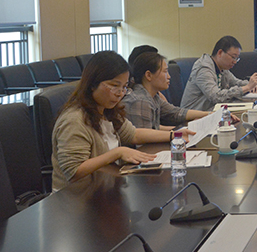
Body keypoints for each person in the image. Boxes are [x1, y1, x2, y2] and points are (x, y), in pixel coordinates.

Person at [51, 51, 186, 191]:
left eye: (124, 87)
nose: (120, 93)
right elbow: (73, 172)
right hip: (76, 198)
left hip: (107, 190)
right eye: (114, 86)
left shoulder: (107, 110)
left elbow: (133, 134)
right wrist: (117, 153)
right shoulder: (74, 120)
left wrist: (175, 135)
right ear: (92, 84)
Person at [123, 52, 209, 130]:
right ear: (148, 75)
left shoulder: (153, 96)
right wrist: (179, 131)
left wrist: (209, 115)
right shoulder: (141, 101)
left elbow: (176, 113)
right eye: (165, 72)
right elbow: (146, 139)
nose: (169, 76)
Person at [180, 35, 257, 110]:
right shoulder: (203, 69)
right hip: (194, 116)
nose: (235, 62)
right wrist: (247, 87)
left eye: (237, 58)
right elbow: (216, 97)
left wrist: (251, 85)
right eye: (233, 57)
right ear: (220, 53)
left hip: (212, 111)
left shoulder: (223, 68)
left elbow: (236, 82)